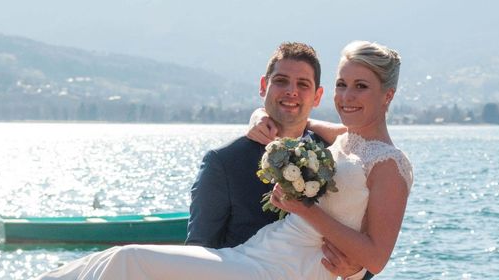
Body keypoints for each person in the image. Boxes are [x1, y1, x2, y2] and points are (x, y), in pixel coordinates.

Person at [35, 40, 413, 280]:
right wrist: (258, 117)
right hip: (258, 252)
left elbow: (376, 257)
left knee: (129, 260)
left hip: (285, 271)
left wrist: (303, 210)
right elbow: (302, 119)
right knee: (116, 259)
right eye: (343, 85)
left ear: (387, 95)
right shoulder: (345, 137)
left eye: (361, 86)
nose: (347, 96)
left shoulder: (390, 166)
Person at [186, 42, 363, 278]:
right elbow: (198, 253)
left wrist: (356, 270)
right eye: (281, 81)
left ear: (318, 96)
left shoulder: (339, 158)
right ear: (263, 86)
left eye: (303, 84)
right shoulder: (224, 163)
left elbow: (367, 249)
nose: (292, 91)